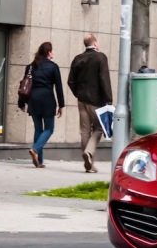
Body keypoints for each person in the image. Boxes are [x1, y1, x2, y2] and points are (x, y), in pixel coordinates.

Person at [68, 33, 112, 173]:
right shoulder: (100, 57)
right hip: (96, 101)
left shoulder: (78, 59)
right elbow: (104, 79)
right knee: (99, 128)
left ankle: (89, 164)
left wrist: (78, 93)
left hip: (82, 101)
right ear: (95, 43)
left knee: (85, 131)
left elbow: (70, 81)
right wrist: (108, 98)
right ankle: (89, 152)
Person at [18, 42, 64, 168]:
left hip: (33, 99)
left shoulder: (31, 66)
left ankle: (39, 161)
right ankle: (35, 149)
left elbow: (24, 84)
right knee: (49, 128)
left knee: (38, 129)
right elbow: (58, 87)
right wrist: (61, 105)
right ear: (49, 52)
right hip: (47, 99)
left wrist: (21, 102)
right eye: (52, 51)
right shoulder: (53, 67)